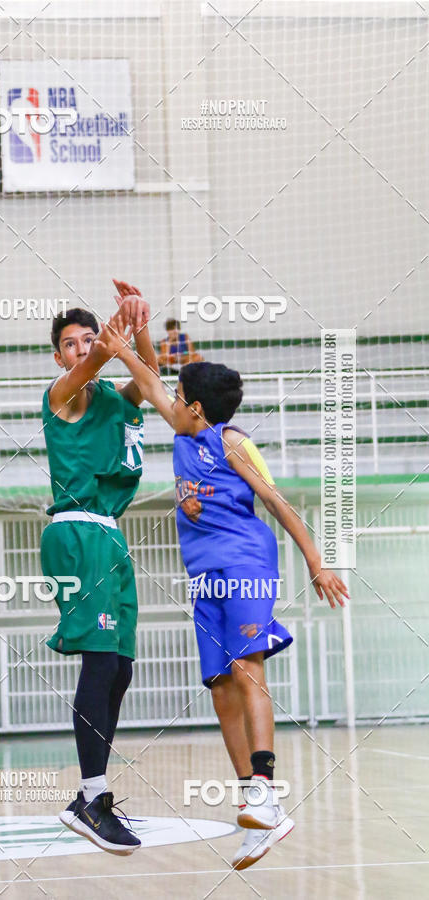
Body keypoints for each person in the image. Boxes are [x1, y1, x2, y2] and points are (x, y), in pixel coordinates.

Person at [97, 322, 349, 870]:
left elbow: (278, 503)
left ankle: (264, 783)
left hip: (247, 566)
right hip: (206, 577)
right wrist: (125, 342)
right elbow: (151, 380)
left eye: (181, 399)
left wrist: (316, 561)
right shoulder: (183, 430)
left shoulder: (233, 444)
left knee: (246, 668)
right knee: (218, 686)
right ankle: (257, 809)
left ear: (199, 410)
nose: (173, 403)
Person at [40, 280, 157, 855]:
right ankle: (93, 795)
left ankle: (88, 798)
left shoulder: (117, 396)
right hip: (77, 530)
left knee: (122, 668)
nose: (82, 347)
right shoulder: (65, 394)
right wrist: (120, 322)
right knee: (100, 660)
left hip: (111, 535)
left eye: (89, 338)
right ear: (58, 355)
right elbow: (108, 355)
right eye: (71, 342)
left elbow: (151, 379)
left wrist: (143, 324)